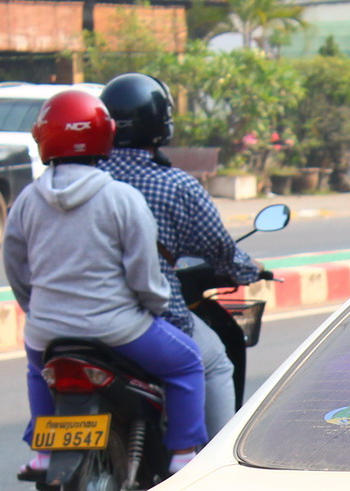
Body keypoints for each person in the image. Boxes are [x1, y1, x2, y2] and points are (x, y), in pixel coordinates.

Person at [3, 89, 205, 482]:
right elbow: (144, 274)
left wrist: (38, 308)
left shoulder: (27, 200)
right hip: (119, 330)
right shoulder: (121, 198)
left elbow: (15, 265)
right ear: (104, 136)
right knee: (187, 363)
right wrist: (156, 304)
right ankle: (182, 453)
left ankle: (44, 452)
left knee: (37, 369)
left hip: (48, 332)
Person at [99, 72, 263, 439]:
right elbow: (218, 249)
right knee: (215, 361)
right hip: (142, 317)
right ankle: (213, 467)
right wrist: (248, 269)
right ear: (161, 124)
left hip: (67, 320)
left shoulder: (85, 178)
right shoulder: (174, 185)